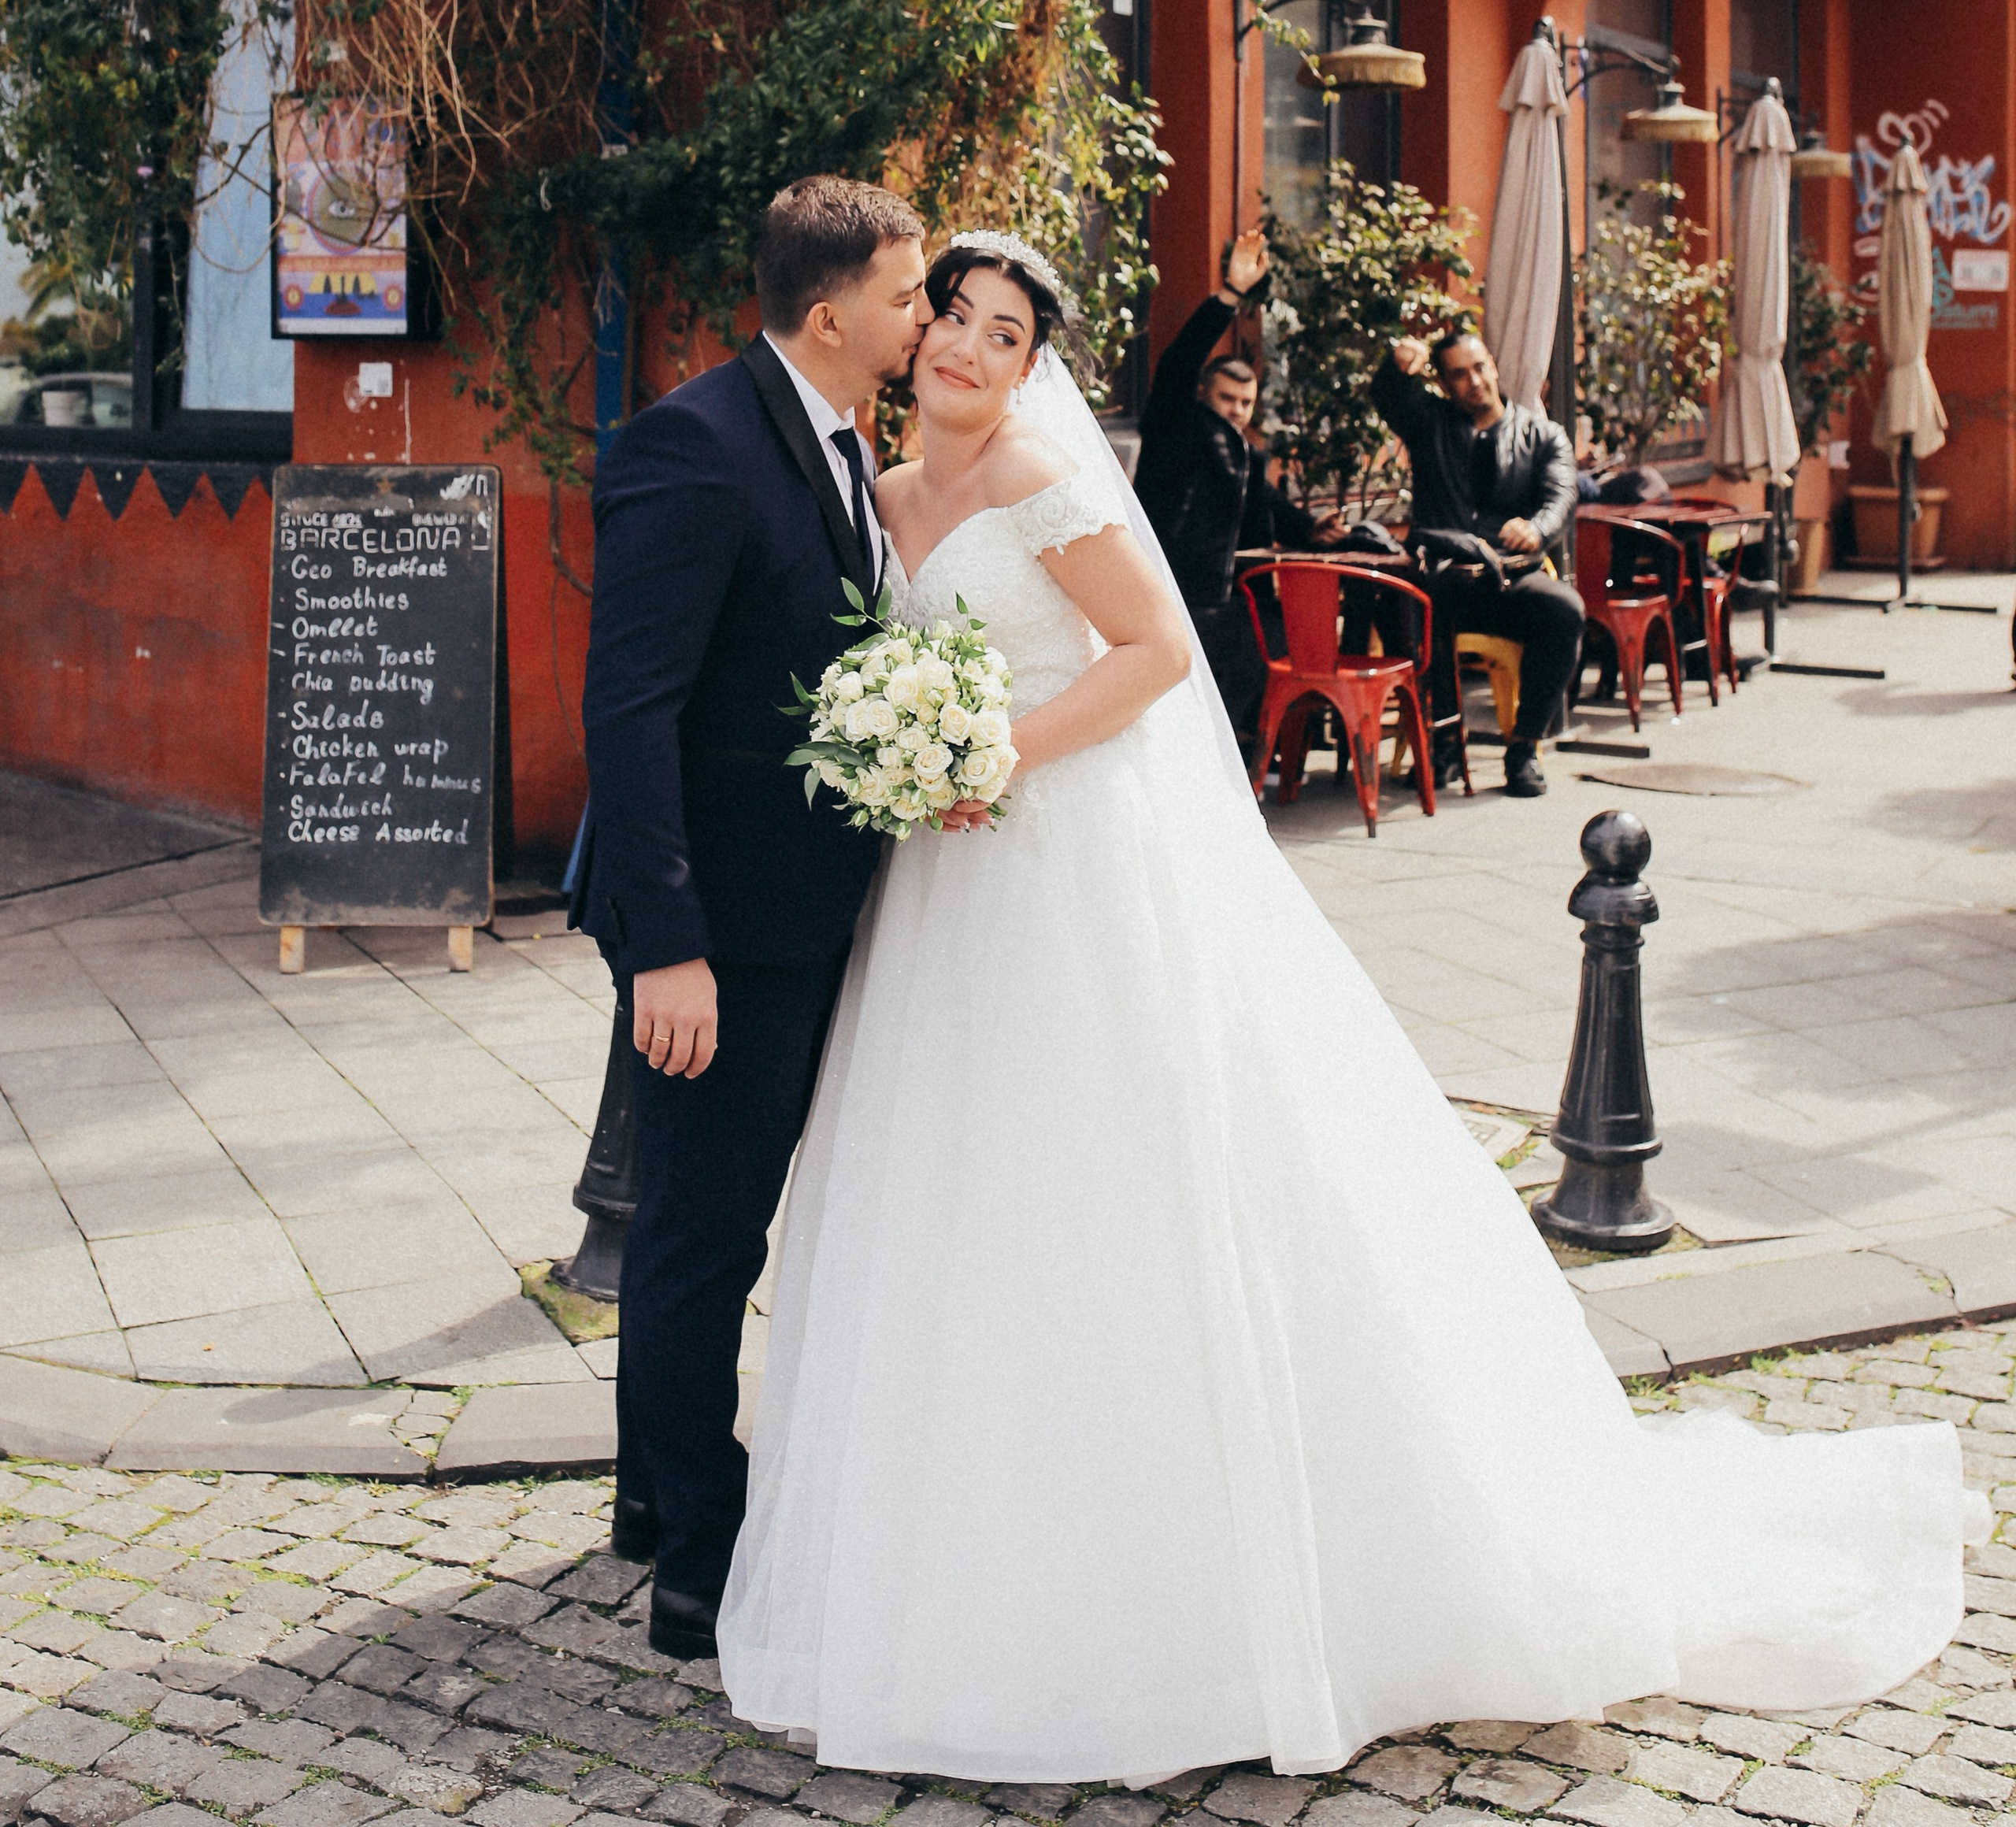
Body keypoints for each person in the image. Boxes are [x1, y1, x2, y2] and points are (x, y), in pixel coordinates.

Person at [717, 229, 1979, 1780]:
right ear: (914, 337)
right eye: (955, 320)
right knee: (957, 1190)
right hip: (939, 891)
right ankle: (957, 1551)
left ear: (1032, 364)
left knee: (1124, 1172)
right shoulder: (882, 490)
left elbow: (1153, 653)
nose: (969, 349)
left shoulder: (1039, 477)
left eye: (1004, 332)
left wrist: (997, 752)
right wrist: (898, 751)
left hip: (1060, 856)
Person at [573, 174, 929, 1658]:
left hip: (801, 914)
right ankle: (699, 1572)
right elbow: (629, 711)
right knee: (703, 1238)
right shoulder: (697, 444)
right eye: (907, 295)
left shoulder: (844, 443)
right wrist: (670, 947)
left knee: (708, 1225)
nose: (924, 317)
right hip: (719, 931)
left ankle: (650, 1499)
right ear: (830, 314)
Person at [1370, 321, 1583, 798]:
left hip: (1506, 582)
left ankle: (1524, 747)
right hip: (1440, 580)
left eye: (1480, 367)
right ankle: (1443, 744)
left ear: (1494, 367)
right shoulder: (1430, 423)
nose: (1475, 381)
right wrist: (1397, 366)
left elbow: (1562, 496)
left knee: (1565, 610)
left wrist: (1537, 528)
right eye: (1460, 374)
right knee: (1404, 605)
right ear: (1444, 383)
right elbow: (1387, 396)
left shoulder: (1543, 435)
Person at [1133, 227, 1329, 734]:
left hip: (1222, 600)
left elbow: (1268, 503)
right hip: (1167, 593)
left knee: (1276, 642)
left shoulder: (1245, 454)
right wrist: (1231, 294)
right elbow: (1179, 360)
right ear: (1203, 393)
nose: (1238, 411)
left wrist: (1313, 528)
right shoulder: (1175, 422)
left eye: (1246, 403)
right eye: (1228, 399)